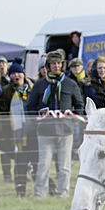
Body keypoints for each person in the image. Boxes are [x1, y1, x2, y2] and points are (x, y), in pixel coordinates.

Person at [26, 52, 84, 198]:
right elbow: (30, 106)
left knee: (64, 166)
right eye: (53, 64)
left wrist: (72, 119)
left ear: (62, 65)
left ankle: (63, 194)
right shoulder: (40, 85)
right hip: (45, 131)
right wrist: (37, 119)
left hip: (66, 131)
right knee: (43, 164)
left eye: (58, 63)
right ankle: (40, 194)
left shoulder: (70, 84)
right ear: (48, 66)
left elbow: (79, 105)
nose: (56, 66)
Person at [0, 62, 34, 197]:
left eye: (18, 73)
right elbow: (2, 112)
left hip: (32, 131)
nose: (16, 76)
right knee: (20, 161)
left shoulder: (32, 88)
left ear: (23, 74)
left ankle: (45, 188)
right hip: (15, 133)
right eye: (13, 73)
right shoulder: (6, 91)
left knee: (36, 161)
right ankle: (20, 191)